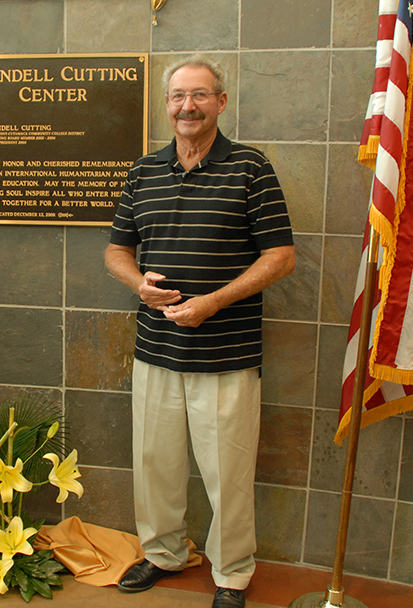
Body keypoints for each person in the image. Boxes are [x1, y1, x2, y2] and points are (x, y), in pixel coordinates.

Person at [105, 55, 295, 608]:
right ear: (166, 104)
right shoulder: (143, 171)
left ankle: (232, 574)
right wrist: (140, 284)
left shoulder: (250, 169)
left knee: (227, 475)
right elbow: (117, 250)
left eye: (200, 95)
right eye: (178, 96)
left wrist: (212, 302)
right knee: (155, 466)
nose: (187, 106)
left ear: (221, 102)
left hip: (226, 355)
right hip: (156, 349)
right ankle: (162, 553)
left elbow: (280, 257)